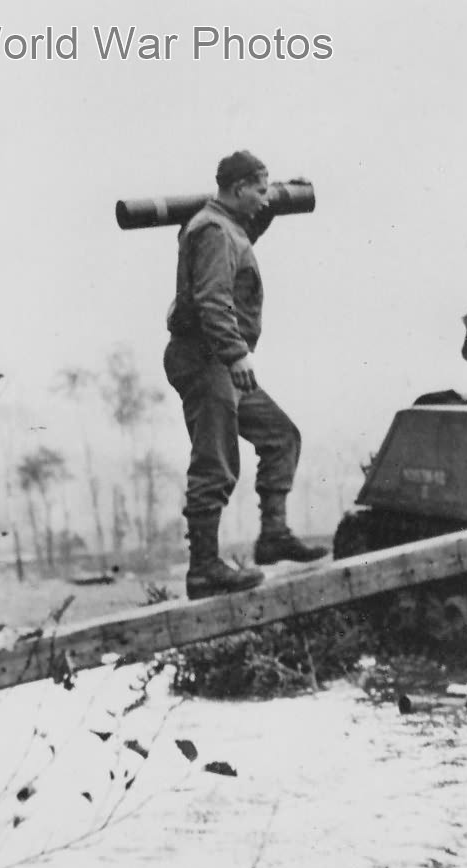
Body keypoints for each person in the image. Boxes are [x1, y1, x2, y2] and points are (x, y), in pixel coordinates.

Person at [164, 150, 328, 600]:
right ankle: (203, 568)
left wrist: (280, 196)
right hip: (207, 358)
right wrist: (237, 355)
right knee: (215, 460)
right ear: (237, 189)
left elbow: (249, 225)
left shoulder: (225, 225)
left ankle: (273, 536)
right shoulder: (214, 231)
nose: (264, 198)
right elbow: (213, 300)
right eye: (259, 189)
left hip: (217, 358)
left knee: (280, 436)